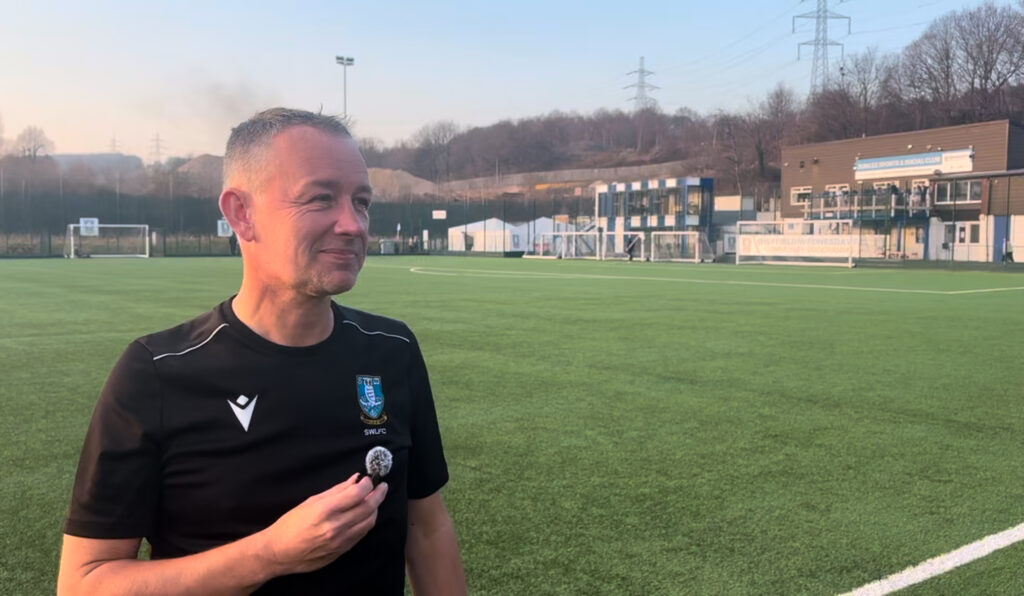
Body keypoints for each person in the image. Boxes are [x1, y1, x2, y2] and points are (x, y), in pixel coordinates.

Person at [58, 108, 467, 595]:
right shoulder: (156, 373)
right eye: (320, 198)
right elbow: (85, 584)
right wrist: (268, 555)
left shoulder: (391, 352)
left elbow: (427, 527)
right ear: (241, 214)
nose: (353, 224)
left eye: (362, 202)